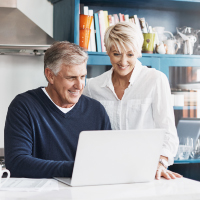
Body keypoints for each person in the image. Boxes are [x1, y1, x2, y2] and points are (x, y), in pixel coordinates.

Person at [83, 22, 182, 180]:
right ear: (107, 51)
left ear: (138, 52)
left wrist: (161, 162)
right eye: (116, 54)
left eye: (130, 54)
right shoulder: (93, 86)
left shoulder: (155, 80)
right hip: (106, 170)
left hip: (146, 170)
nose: (123, 62)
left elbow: (168, 132)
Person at [4, 41, 111, 178]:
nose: (79, 85)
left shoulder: (96, 111)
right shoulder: (23, 107)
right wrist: (75, 169)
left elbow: (108, 161)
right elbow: (17, 163)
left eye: (83, 77)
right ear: (50, 75)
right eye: (71, 77)